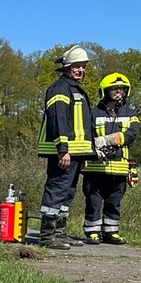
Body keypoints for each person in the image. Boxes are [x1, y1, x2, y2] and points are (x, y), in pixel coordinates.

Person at [37, 45, 95, 249]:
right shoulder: (60, 88)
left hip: (75, 152)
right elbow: (59, 120)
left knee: (68, 192)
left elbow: (81, 125)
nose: (81, 70)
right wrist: (63, 149)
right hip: (63, 152)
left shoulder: (74, 89)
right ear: (67, 68)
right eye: (77, 66)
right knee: (57, 189)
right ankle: (47, 236)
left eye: (84, 67)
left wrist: (84, 152)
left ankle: (60, 233)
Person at [82, 72, 141, 245]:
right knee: (93, 201)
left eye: (122, 89)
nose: (119, 91)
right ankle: (92, 232)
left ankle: (111, 233)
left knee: (114, 202)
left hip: (120, 167)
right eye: (115, 88)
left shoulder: (130, 113)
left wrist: (107, 139)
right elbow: (86, 134)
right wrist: (93, 146)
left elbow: (132, 134)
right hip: (96, 168)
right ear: (105, 91)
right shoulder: (92, 113)